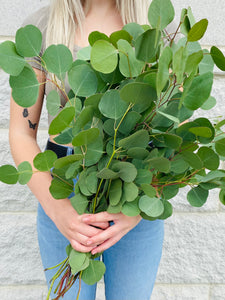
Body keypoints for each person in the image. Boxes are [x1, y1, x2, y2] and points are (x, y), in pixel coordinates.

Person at [9, 1, 164, 299]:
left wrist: (139, 209)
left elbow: (172, 135)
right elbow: (20, 133)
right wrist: (58, 210)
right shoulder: (41, 29)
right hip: (62, 185)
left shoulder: (158, 26)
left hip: (137, 188)